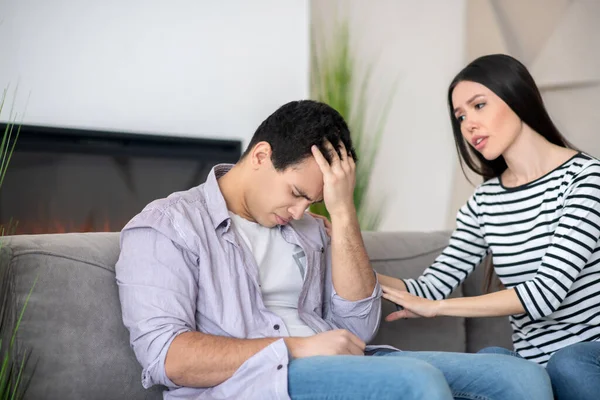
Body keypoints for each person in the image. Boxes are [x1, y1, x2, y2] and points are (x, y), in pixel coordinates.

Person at [115, 100, 551, 399]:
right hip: (261, 383)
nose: (301, 209)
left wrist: (342, 213)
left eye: (315, 200)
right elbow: (166, 356)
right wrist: (297, 347)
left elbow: (359, 327)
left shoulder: (308, 227)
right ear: (262, 156)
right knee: (415, 383)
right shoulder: (168, 227)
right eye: (296, 192)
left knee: (518, 376)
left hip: (339, 366)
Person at [378, 54, 600, 400]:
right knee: (489, 363)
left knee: (568, 363)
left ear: (517, 96)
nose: (468, 124)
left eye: (479, 105)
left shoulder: (585, 181)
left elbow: (546, 293)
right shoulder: (485, 203)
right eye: (461, 116)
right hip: (536, 369)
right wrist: (343, 264)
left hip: (588, 360)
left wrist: (438, 308)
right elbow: (430, 287)